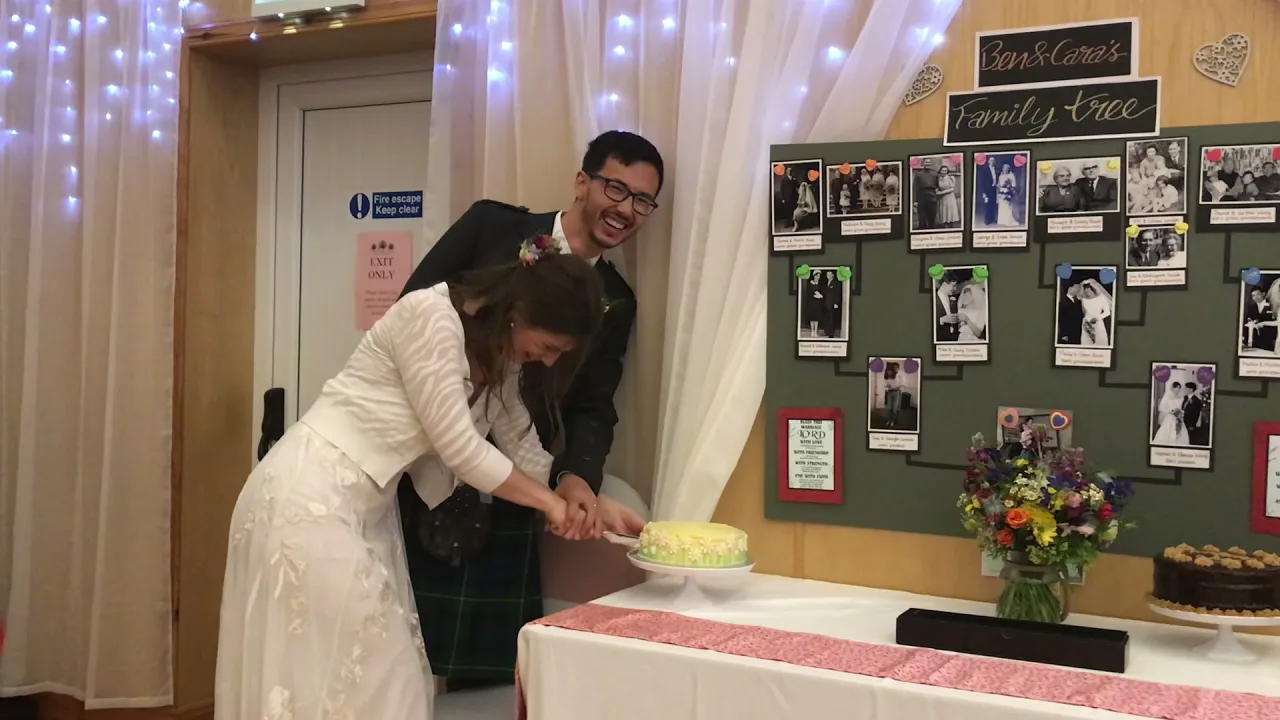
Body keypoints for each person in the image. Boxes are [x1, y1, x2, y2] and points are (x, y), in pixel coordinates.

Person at [214, 252, 613, 720]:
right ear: (518, 312)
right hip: (308, 496)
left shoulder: (496, 355)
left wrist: (580, 494)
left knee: (381, 680)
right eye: (548, 345)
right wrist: (549, 505)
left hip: (363, 509)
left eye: (558, 355)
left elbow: (521, 445)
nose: (547, 360)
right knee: (351, 677)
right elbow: (461, 449)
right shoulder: (429, 316)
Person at [396, 130, 662, 690]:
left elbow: (591, 405)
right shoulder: (493, 228)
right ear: (582, 182)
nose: (626, 209)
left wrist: (576, 483)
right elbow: (413, 314)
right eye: (617, 188)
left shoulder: (617, 299)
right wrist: (551, 495)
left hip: (522, 472)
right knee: (400, 649)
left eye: (643, 200)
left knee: (491, 673)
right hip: (423, 462)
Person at [1079, 279, 1112, 347]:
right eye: (1085, 291)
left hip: (1098, 323)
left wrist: (1097, 318)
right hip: (1087, 324)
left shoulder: (1101, 298)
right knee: (1087, 343)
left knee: (1099, 342)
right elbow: (1084, 313)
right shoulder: (1084, 300)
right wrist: (1086, 321)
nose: (1087, 293)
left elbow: (1107, 312)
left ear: (1093, 289)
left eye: (1089, 291)